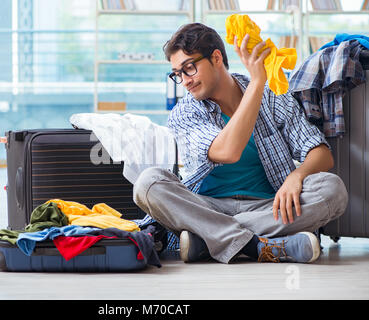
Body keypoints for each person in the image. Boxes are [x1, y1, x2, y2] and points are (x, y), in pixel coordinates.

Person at [132, 23, 348, 264]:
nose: (184, 81)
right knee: (148, 183)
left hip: (269, 207)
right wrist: (256, 83)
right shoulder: (185, 112)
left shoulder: (272, 97)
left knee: (332, 189)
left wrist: (296, 176)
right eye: (178, 74)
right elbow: (228, 151)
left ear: (216, 58)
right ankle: (257, 246)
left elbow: (320, 153)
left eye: (189, 68)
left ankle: (206, 240)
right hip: (206, 207)